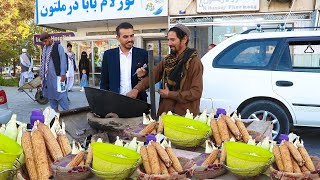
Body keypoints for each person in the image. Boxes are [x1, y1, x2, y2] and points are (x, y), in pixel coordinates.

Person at [127, 24, 203, 116]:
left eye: (173, 40)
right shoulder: (167, 60)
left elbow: (196, 93)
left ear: (184, 39)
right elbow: (153, 77)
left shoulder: (194, 62)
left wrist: (170, 94)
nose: (169, 43)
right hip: (165, 113)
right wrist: (136, 89)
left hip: (184, 115)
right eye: (168, 40)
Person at [100, 22, 148, 101]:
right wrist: (105, 100)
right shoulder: (108, 55)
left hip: (138, 101)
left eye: (132, 36)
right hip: (114, 100)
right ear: (118, 38)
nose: (130, 39)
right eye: (125, 37)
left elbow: (150, 76)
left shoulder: (143, 54)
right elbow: (104, 81)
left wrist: (143, 75)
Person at [39, 32, 69, 112]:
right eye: (43, 42)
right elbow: (43, 63)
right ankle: (56, 116)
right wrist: (41, 76)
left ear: (49, 38)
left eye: (45, 41)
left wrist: (63, 74)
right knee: (51, 97)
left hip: (58, 77)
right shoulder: (44, 49)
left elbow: (63, 61)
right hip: (48, 78)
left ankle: (68, 114)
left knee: (61, 95)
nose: (44, 43)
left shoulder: (58, 47)